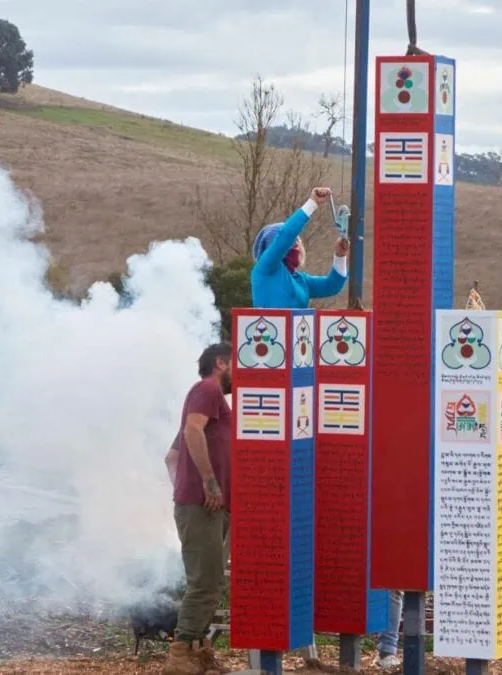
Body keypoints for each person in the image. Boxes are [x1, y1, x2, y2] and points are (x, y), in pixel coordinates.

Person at [163, 344, 233, 675]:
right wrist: (207, 482)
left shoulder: (210, 401)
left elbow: (171, 458)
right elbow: (192, 430)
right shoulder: (207, 390)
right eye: (238, 364)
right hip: (203, 504)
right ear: (221, 363)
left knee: (210, 580)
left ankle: (199, 653)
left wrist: (184, 487)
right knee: (206, 582)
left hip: (198, 504)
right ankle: (181, 656)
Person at [250, 187, 349, 309]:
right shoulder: (265, 267)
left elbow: (331, 286)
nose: (297, 245)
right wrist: (312, 203)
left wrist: (340, 256)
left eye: (298, 240)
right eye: (293, 241)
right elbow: (286, 235)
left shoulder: (300, 279)